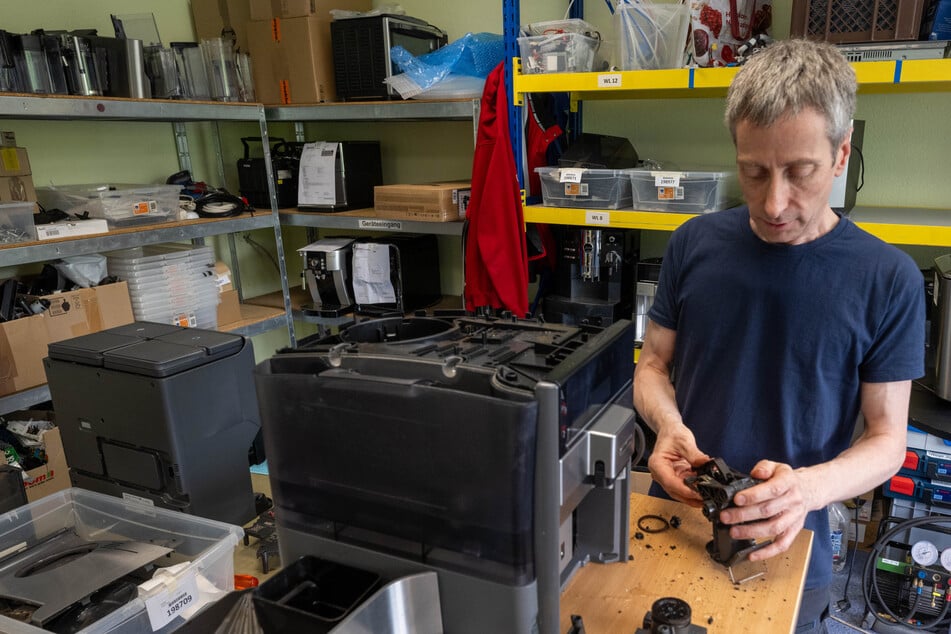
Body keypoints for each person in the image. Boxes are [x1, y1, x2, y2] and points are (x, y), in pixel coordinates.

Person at [632, 38, 925, 632]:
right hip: (677, 521)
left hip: (788, 545)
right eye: (754, 172)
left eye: (801, 172)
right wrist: (667, 424)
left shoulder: (888, 279)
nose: (773, 202)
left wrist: (806, 490)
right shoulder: (693, 243)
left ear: (841, 156)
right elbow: (652, 367)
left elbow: (888, 438)